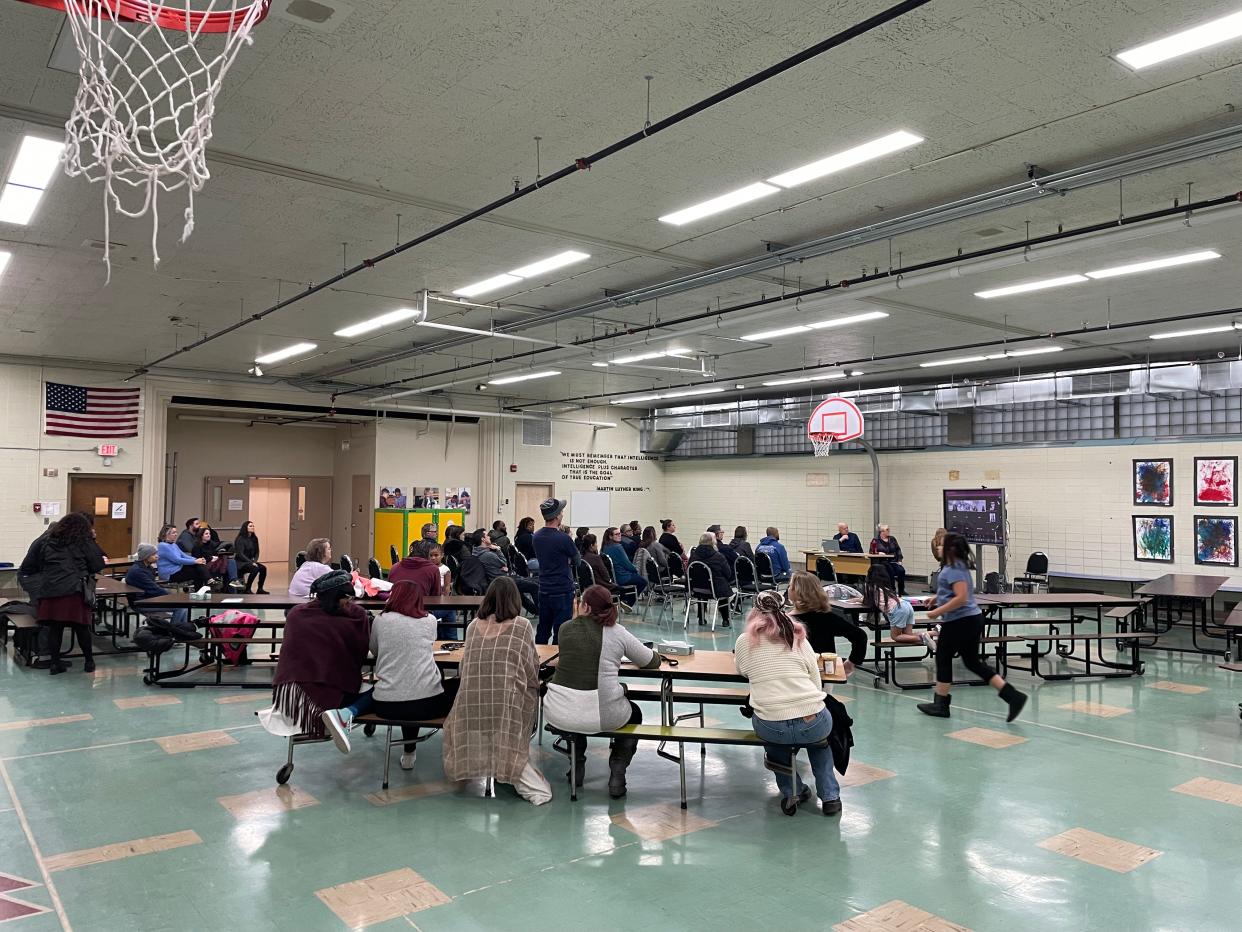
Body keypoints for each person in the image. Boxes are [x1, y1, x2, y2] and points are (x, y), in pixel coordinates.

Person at [544, 585, 661, 797]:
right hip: (604, 715)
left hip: (560, 712)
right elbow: (651, 661)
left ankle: (577, 761)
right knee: (635, 713)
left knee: (577, 708)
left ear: (585, 607)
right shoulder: (617, 633)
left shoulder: (564, 629)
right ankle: (618, 767)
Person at [442, 578, 552, 805]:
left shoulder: (473, 626)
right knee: (527, 693)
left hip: (470, 703)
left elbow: (464, 668)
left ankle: (494, 766)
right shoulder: (521, 626)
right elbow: (531, 668)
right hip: (506, 704)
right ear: (515, 600)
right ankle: (514, 768)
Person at [735, 591, 842, 816]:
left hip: (771, 723)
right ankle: (831, 797)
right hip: (812, 718)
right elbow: (815, 679)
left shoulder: (745, 641)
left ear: (754, 612)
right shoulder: (798, 637)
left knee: (776, 748)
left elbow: (743, 670)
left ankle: (792, 791)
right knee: (820, 745)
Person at [335, 580, 458, 770]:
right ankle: (454, 748)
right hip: (427, 705)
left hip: (386, 705)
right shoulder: (429, 620)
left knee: (397, 688)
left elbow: (375, 650)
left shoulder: (380, 620)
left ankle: (348, 714)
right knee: (446, 685)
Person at [918, 533, 1027, 722]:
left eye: (942, 545)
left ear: (951, 549)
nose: (938, 548)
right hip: (968, 620)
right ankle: (1012, 696)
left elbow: (961, 598)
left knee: (943, 657)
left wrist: (937, 611)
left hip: (961, 621)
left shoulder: (954, 569)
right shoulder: (956, 566)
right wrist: (936, 598)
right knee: (972, 662)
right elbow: (954, 592)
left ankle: (941, 704)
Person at [267, 571, 372, 750]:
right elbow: (360, 654)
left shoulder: (296, 614)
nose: (350, 601)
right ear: (334, 597)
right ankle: (344, 715)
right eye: (346, 597)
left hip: (290, 695)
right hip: (329, 695)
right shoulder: (355, 618)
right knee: (381, 692)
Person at [34, 513, 106, 674]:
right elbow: (97, 564)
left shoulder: (48, 542)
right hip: (73, 590)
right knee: (81, 627)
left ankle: (54, 664)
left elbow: (40, 564)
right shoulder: (83, 542)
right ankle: (89, 662)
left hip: (50, 591)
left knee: (55, 629)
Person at [787, 571, 867, 673]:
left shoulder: (786, 621)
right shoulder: (827, 617)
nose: (788, 588)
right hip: (825, 670)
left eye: (790, 586)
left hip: (797, 670)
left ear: (797, 591)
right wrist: (852, 661)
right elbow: (860, 636)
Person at [533, 498, 579, 644]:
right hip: (562, 589)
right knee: (561, 631)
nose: (563, 515)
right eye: (562, 512)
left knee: (543, 629)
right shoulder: (564, 539)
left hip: (544, 588)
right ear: (557, 515)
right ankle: (554, 664)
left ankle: (539, 661)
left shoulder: (536, 536)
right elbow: (577, 560)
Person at [125, 543, 191, 629]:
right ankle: (173, 632)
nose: (157, 556)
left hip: (148, 598)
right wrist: (172, 597)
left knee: (183, 606)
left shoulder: (147, 568)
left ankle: (182, 631)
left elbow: (153, 588)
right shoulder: (138, 571)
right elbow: (154, 588)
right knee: (180, 607)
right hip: (141, 602)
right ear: (146, 556)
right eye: (154, 554)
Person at [863, 563, 926, 648]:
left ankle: (922, 638)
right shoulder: (885, 587)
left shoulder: (869, 586)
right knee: (908, 635)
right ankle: (934, 633)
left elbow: (866, 601)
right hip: (906, 605)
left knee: (895, 636)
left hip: (898, 609)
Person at [688, 532, 734, 627]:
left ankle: (701, 618)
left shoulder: (693, 556)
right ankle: (725, 619)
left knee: (703, 587)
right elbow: (728, 573)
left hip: (696, 589)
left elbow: (688, 571)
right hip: (714, 590)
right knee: (722, 587)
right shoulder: (719, 556)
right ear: (713, 543)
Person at [601, 527, 647, 607]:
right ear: (610, 536)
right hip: (622, 576)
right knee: (643, 581)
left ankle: (624, 599)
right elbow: (627, 564)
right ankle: (628, 603)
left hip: (613, 577)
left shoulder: (605, 547)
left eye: (620, 534)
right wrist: (635, 569)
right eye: (617, 534)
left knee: (636, 579)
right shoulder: (618, 547)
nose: (619, 536)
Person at [157, 523, 210, 588]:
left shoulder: (173, 545)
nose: (176, 534)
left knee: (198, 567)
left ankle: (207, 582)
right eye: (173, 533)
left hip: (178, 569)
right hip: (170, 573)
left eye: (176, 532)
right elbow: (177, 560)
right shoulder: (162, 545)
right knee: (197, 572)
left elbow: (184, 556)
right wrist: (195, 561)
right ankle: (207, 582)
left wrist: (198, 560)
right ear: (166, 534)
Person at [192, 526, 241, 590]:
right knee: (226, 563)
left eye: (209, 534)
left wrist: (225, 547)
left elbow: (221, 544)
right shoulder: (197, 546)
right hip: (204, 565)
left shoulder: (211, 543)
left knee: (231, 561)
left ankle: (234, 580)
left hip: (214, 563)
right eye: (206, 534)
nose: (209, 535)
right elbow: (198, 560)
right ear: (201, 535)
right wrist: (210, 558)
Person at [869, 524, 907, 595]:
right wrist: (878, 553)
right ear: (882, 531)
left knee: (901, 570)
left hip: (893, 561)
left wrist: (899, 560)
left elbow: (898, 550)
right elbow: (871, 552)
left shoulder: (892, 539)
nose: (889, 531)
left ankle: (902, 590)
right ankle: (892, 590)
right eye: (887, 530)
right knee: (890, 571)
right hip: (882, 562)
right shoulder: (875, 540)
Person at [233, 521, 269, 594]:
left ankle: (260, 589)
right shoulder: (240, 539)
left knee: (263, 568)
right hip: (241, 562)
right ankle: (248, 588)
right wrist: (251, 562)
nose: (252, 527)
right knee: (255, 569)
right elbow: (240, 554)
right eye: (250, 526)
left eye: (253, 526)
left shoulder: (254, 538)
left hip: (250, 561)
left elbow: (257, 552)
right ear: (245, 528)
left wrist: (255, 561)